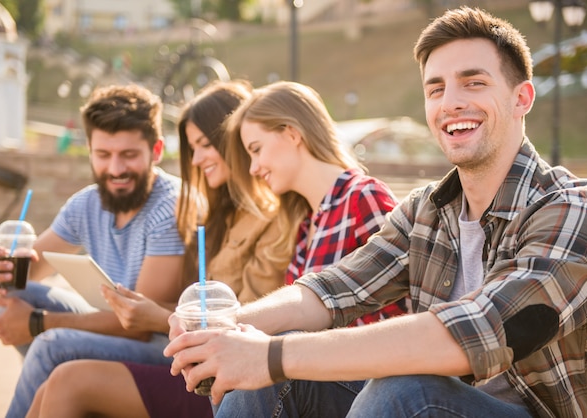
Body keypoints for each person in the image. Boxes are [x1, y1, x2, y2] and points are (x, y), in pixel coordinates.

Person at [165, 7, 587, 418]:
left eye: (474, 82)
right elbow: (332, 289)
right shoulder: (427, 211)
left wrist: (270, 356)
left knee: (398, 389)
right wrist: (226, 327)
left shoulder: (574, 209)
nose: (450, 102)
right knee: (272, 369)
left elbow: (478, 333)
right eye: (436, 88)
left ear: (521, 98)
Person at [27, 79, 407, 418]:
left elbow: (405, 309)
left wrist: (190, 325)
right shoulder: (309, 220)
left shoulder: (362, 197)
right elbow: (304, 309)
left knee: (63, 365)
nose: (254, 166)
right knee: (52, 363)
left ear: (292, 134)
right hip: (300, 368)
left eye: (256, 149)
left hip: (354, 378)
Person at [25, 80, 292, 418]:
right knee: (52, 376)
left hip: (224, 378)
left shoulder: (265, 219)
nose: (195, 159)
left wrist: (157, 315)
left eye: (205, 145)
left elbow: (246, 321)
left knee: (62, 369)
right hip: (195, 358)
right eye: (192, 148)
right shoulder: (218, 212)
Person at [0, 84, 186, 418]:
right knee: (26, 296)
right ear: (90, 151)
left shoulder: (170, 207)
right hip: (124, 329)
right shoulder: (86, 204)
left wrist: (38, 323)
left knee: (51, 343)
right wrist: (5, 271)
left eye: (129, 155)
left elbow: (138, 325)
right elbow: (27, 273)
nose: (116, 169)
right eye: (103, 155)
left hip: (164, 347)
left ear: (156, 150)